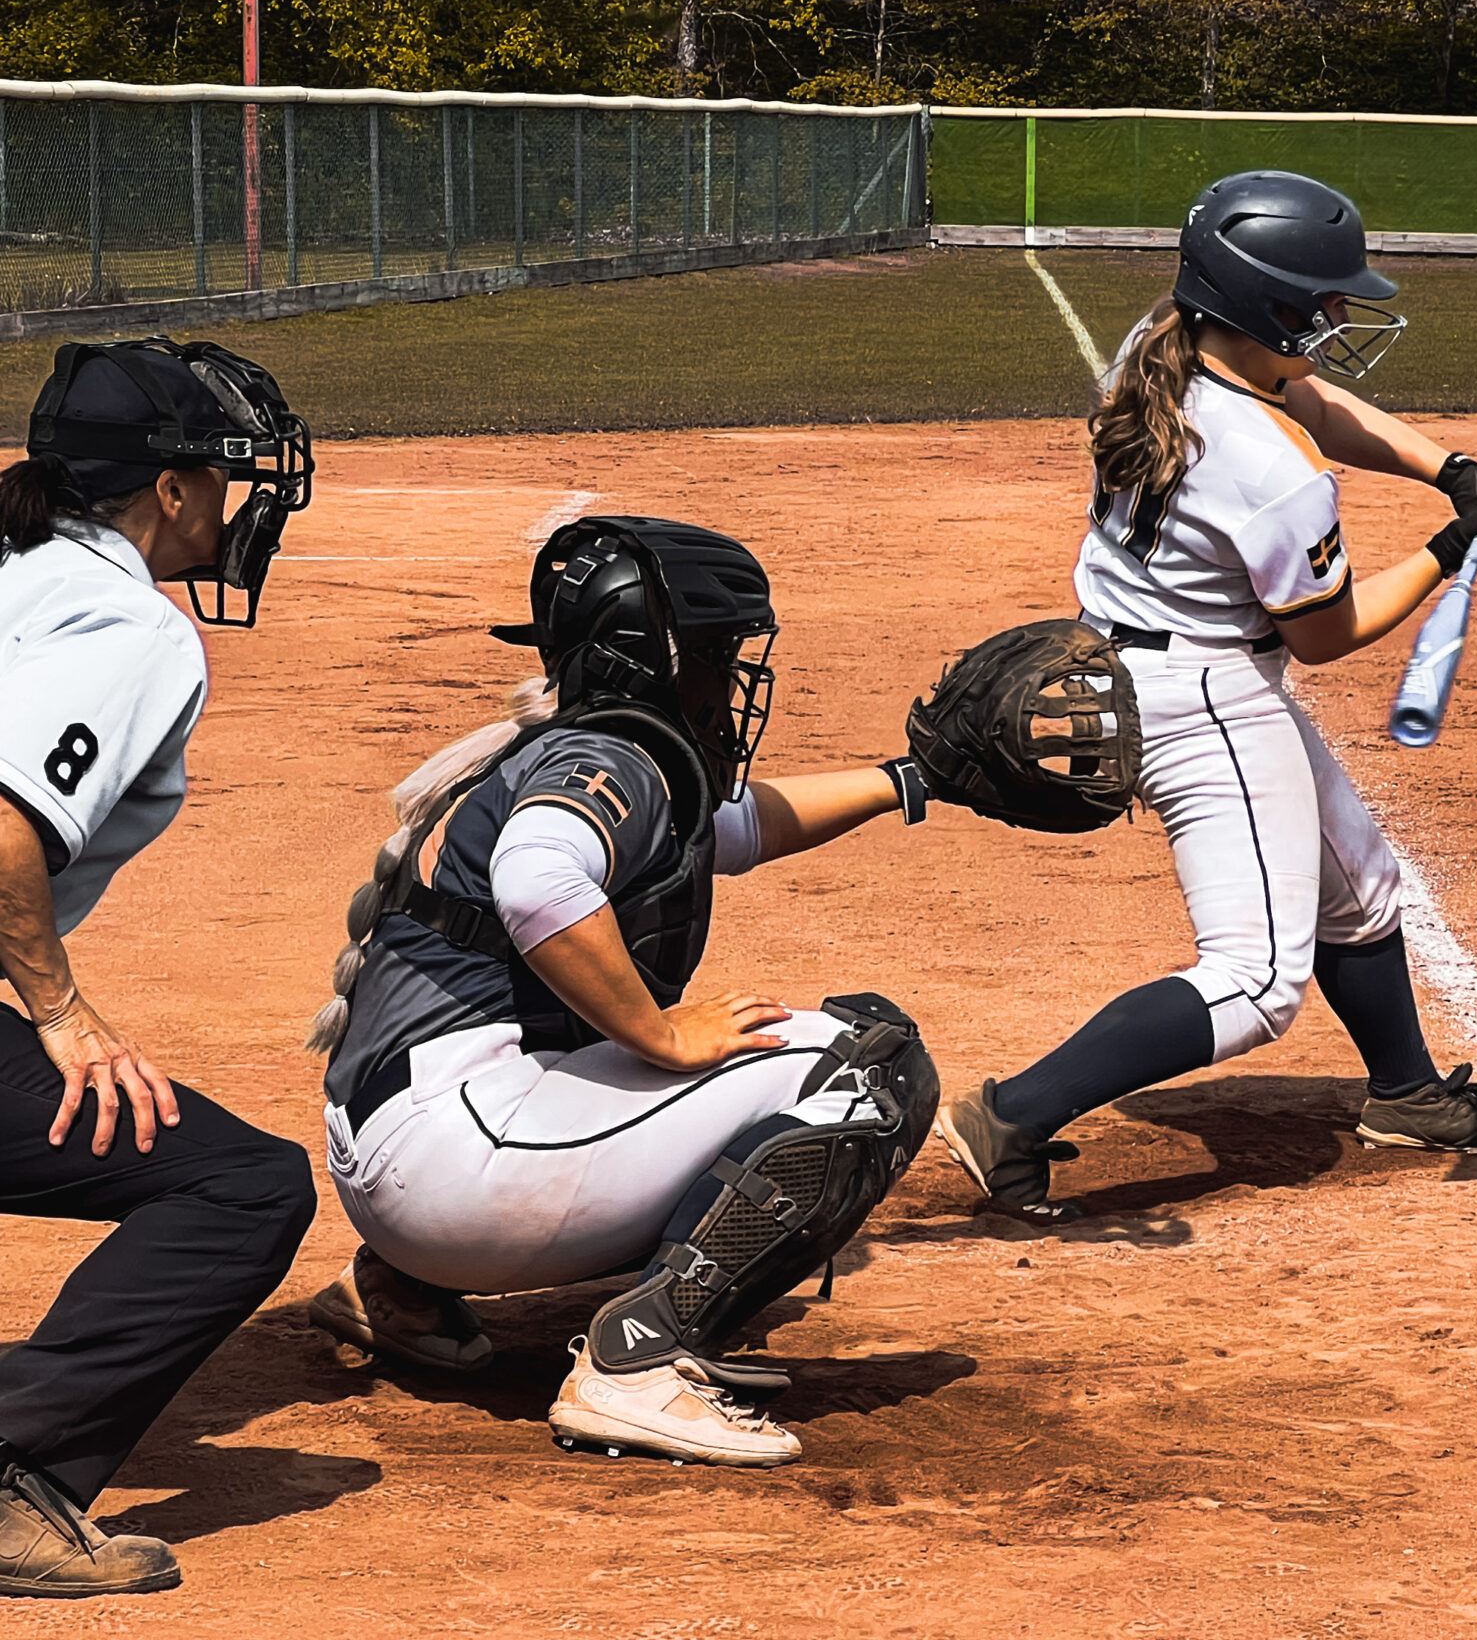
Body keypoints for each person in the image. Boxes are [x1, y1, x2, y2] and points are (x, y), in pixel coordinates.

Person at [933, 168, 1477, 1222]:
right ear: (1271, 308)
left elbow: (1309, 395)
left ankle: (1403, 1094)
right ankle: (1010, 1115)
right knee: (1256, 982)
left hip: (1135, 655)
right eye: (1324, 298)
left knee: (1356, 884)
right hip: (1205, 696)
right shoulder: (1270, 474)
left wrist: (1446, 469)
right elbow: (1328, 636)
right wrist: (1452, 547)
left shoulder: (1159, 347)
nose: (1341, 313)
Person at [304, 515, 939, 1469]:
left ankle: (399, 1290)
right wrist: (660, 1036)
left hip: (405, 1161)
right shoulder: (612, 766)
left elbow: (740, 827)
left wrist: (910, 780)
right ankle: (638, 1366)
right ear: (660, 656)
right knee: (865, 1065)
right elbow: (536, 883)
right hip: (457, 1169)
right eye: (721, 651)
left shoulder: (577, 750)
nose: (735, 677)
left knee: (744, 1069)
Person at [0, 339, 318, 1598]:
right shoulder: (128, 628)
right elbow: (7, 824)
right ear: (174, 490)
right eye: (225, 480)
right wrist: (64, 1011)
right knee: (242, 1187)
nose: (239, 508)